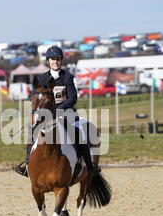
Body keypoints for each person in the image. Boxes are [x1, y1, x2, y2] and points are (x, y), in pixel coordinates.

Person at [14, 46, 101, 177]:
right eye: (53, 59)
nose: (56, 62)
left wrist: (60, 108)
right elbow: (33, 94)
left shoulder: (67, 77)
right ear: (48, 61)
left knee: (76, 131)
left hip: (66, 113)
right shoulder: (41, 78)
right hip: (46, 115)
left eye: (58, 59)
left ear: (61, 61)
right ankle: (27, 164)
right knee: (32, 131)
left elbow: (73, 98)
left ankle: (89, 165)